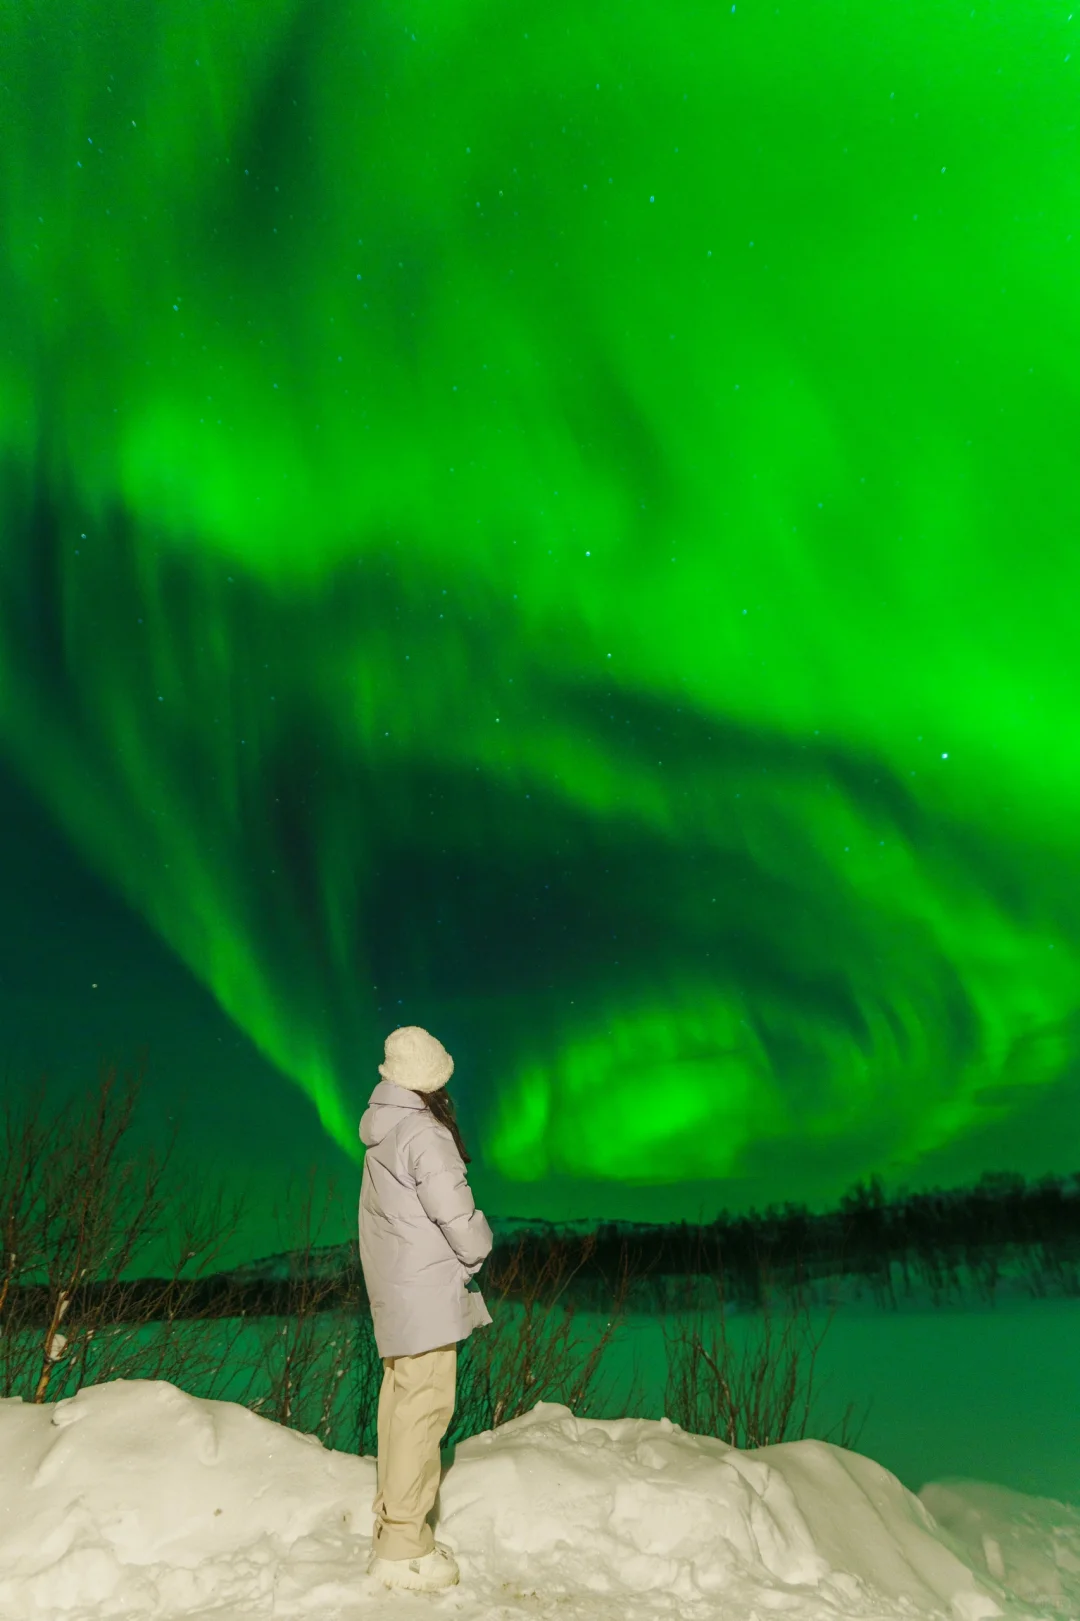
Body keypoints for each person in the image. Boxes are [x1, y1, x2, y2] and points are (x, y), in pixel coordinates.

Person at [358, 1025, 493, 1592]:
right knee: (424, 1411)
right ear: (431, 1078)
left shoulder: (384, 1131)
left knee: (401, 1406)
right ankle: (405, 1547)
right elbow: (456, 1216)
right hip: (426, 1293)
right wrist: (480, 1247)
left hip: (398, 1292)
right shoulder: (422, 1133)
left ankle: (394, 1523)